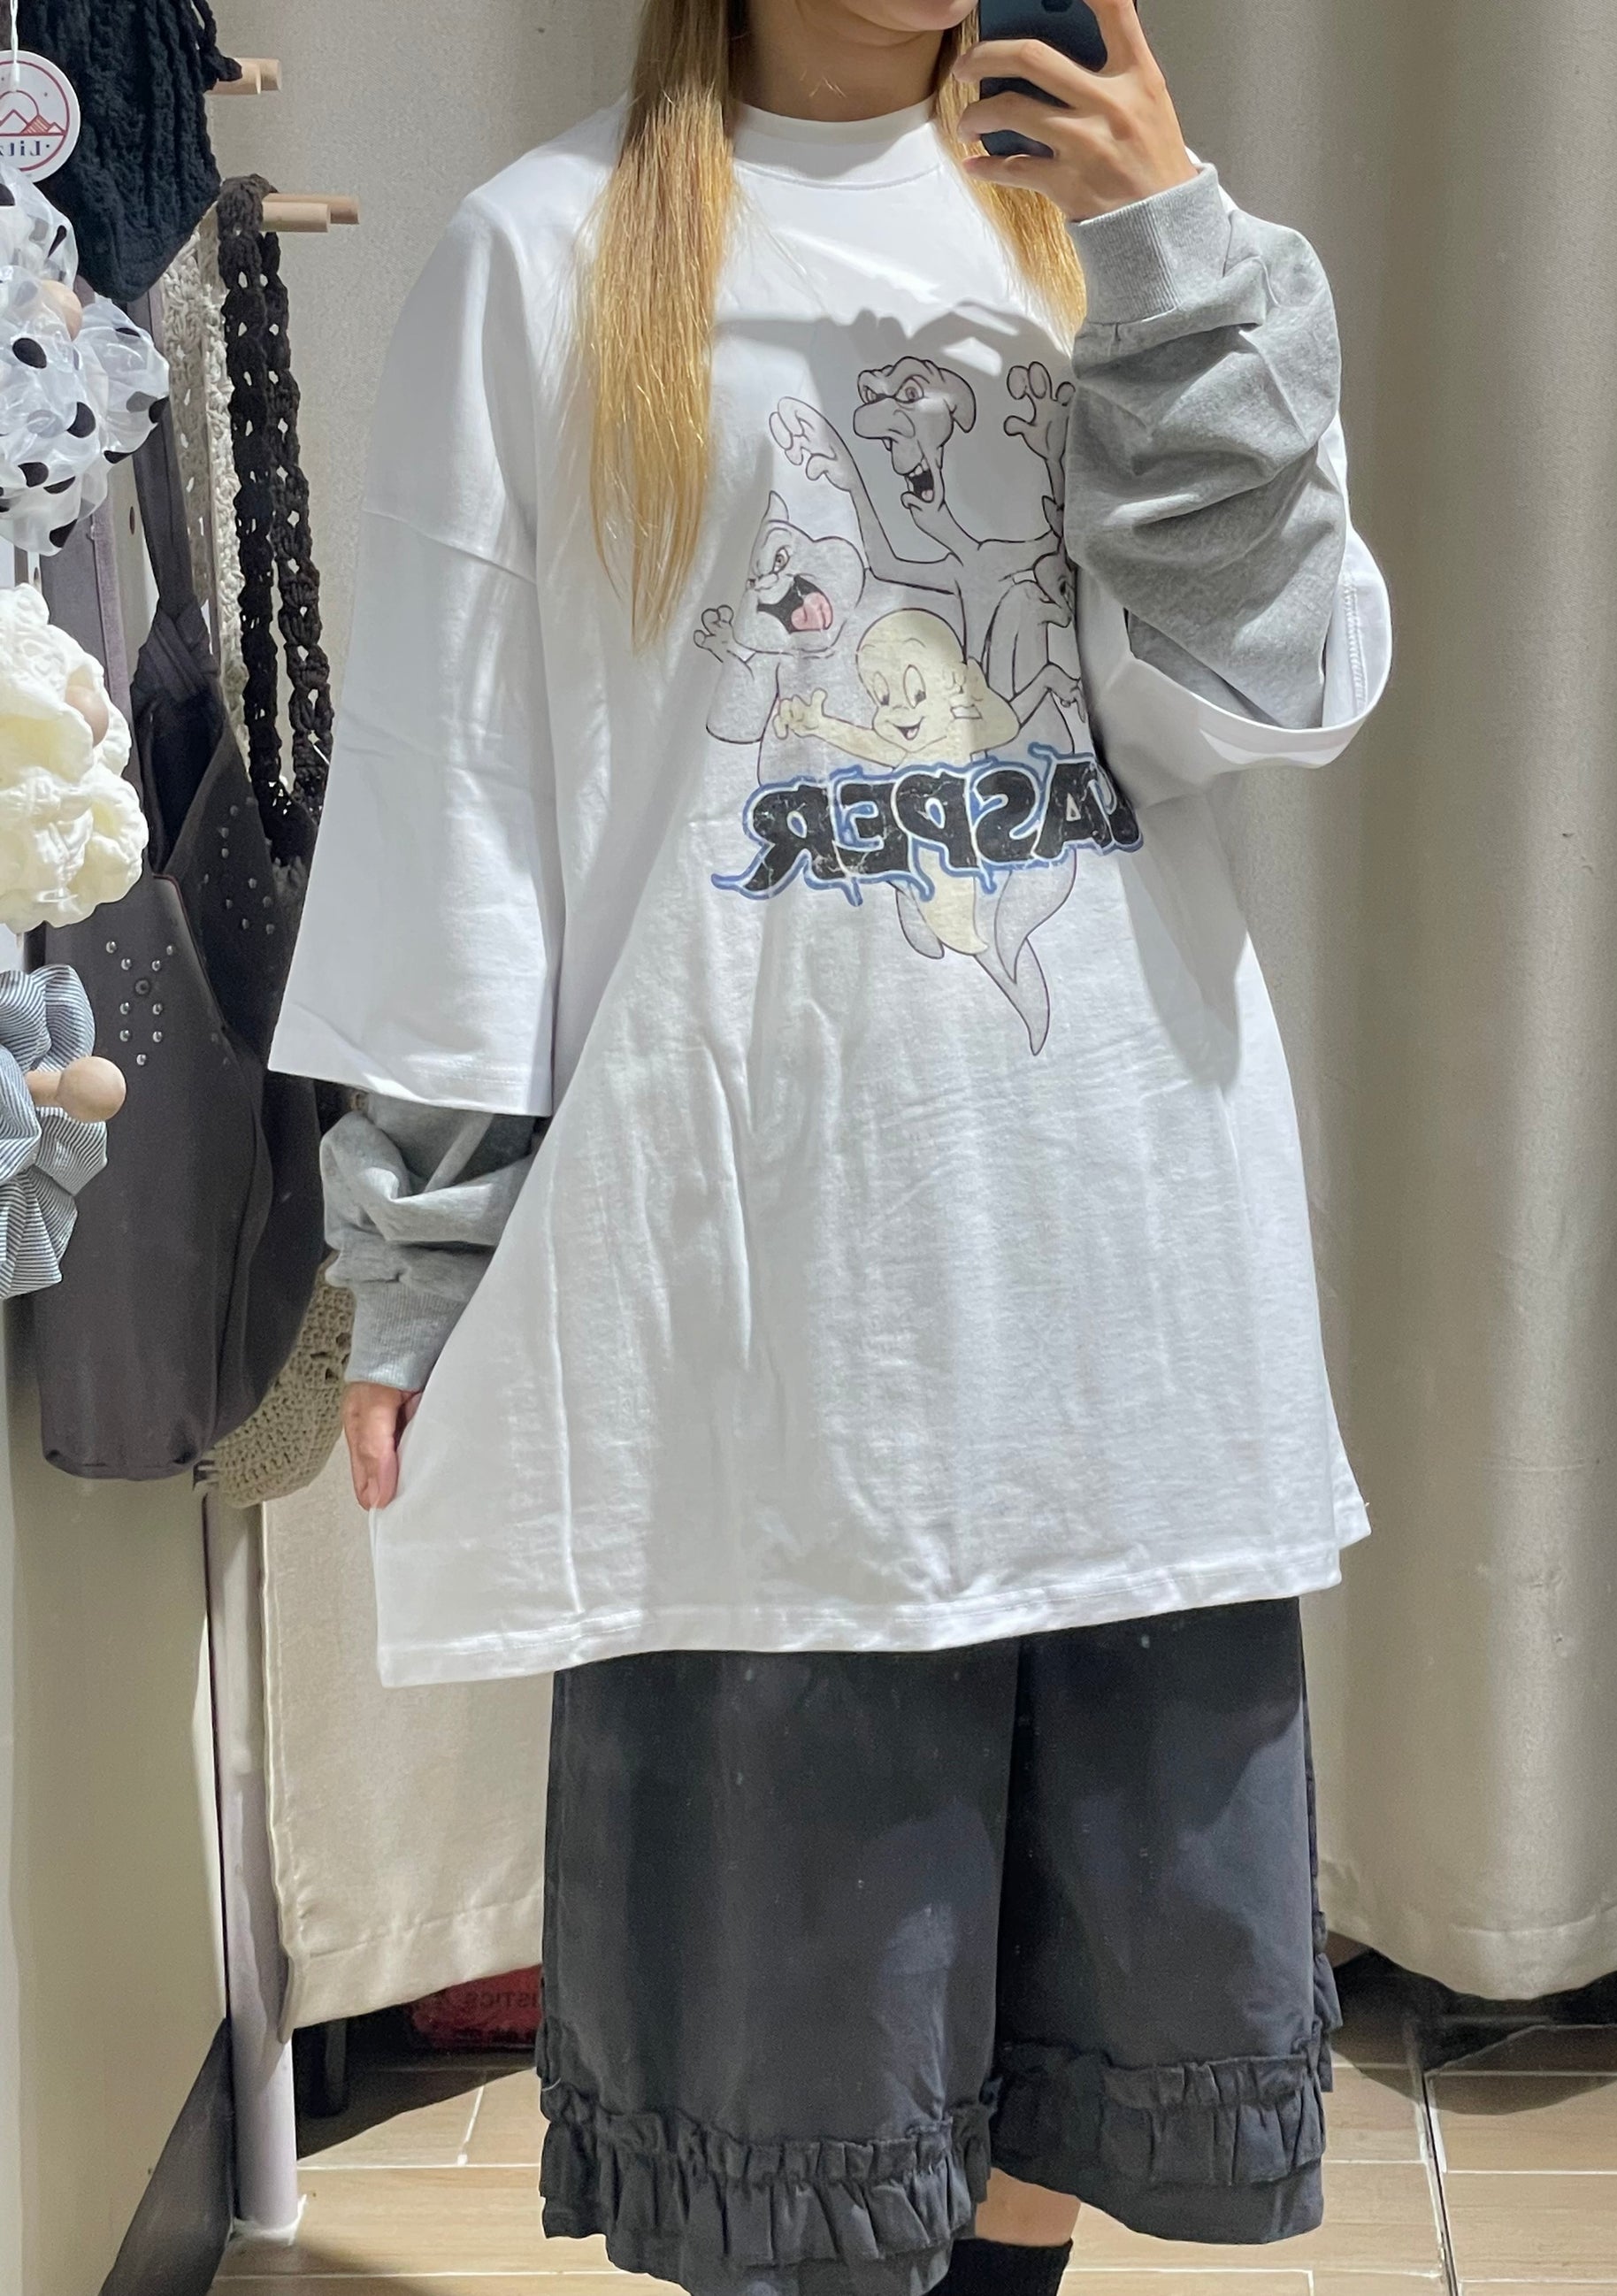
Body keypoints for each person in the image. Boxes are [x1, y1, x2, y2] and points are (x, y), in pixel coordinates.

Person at [270, 3, 1392, 2291]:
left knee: (1085, 1995)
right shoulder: (548, 251)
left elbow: (1273, 694)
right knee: (804, 2029)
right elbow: (456, 789)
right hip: (753, 1270)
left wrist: (1172, 260)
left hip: (1112, 1230)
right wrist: (428, 1247)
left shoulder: (1150, 244)